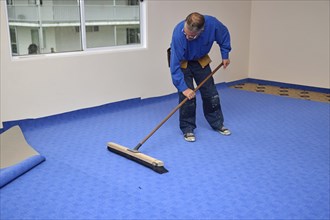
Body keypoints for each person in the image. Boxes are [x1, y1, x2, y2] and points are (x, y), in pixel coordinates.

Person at [169, 12, 232, 142]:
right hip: (183, 62)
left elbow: (224, 35)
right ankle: (187, 129)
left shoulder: (213, 24)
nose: (187, 36)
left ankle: (217, 124)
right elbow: (174, 65)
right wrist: (184, 88)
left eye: (191, 36)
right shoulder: (178, 34)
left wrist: (225, 54)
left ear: (201, 31)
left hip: (200, 60)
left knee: (211, 93)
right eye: (185, 32)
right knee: (187, 97)